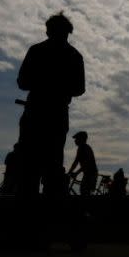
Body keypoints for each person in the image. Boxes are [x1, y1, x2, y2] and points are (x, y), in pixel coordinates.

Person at [16, 12, 85, 197]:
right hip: (55, 114)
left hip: (37, 113)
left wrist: (43, 84)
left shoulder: (37, 51)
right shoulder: (74, 56)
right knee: (51, 164)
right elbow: (79, 89)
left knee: (30, 165)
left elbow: (22, 82)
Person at [68, 131, 98, 197]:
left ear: (81, 139)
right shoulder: (82, 148)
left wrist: (75, 173)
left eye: (76, 139)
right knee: (84, 190)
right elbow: (75, 162)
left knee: (84, 191)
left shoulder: (84, 148)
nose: (75, 141)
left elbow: (86, 164)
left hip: (91, 174)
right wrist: (70, 172)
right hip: (89, 173)